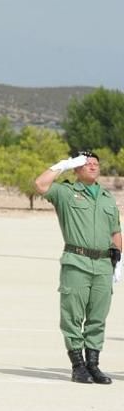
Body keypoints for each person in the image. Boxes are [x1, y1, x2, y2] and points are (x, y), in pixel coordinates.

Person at [34, 151, 122, 384]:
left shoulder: (106, 197)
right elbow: (40, 185)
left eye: (96, 164)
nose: (93, 167)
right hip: (77, 261)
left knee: (98, 317)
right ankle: (78, 365)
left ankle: (93, 365)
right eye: (87, 164)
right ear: (77, 169)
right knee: (72, 315)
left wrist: (119, 258)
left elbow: (115, 230)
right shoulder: (66, 192)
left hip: (103, 264)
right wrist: (62, 165)